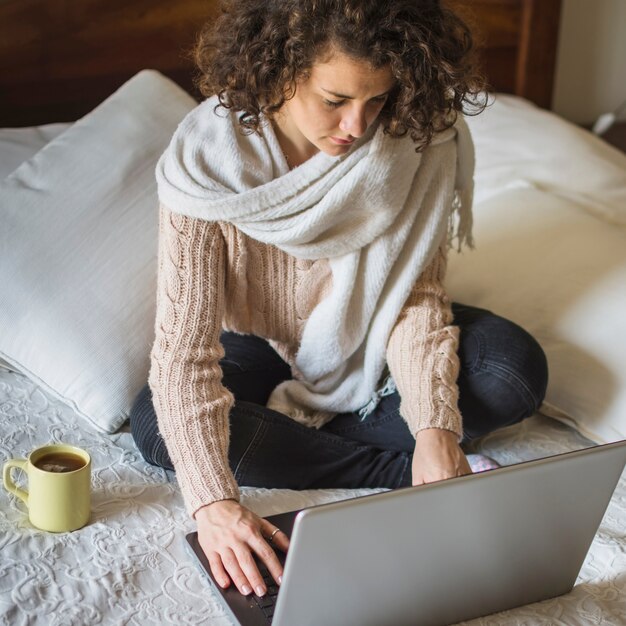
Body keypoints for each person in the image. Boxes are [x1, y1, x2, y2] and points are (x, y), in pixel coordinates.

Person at [130, 0, 548, 601]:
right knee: (158, 429)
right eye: (335, 100)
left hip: (371, 332)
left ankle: (396, 444)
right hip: (258, 344)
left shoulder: (415, 140)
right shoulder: (205, 166)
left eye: (375, 99)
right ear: (278, 71)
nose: (357, 125)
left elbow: (415, 296)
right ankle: (395, 470)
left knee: (514, 371)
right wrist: (215, 504)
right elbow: (183, 354)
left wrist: (435, 428)